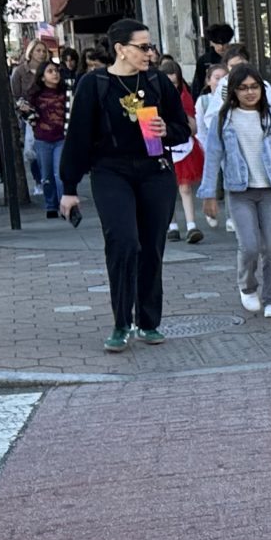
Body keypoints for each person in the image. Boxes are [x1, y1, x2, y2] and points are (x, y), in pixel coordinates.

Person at [60, 19, 192, 351]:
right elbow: (77, 137)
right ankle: (121, 323)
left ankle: (148, 321)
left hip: (155, 170)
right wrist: (69, 188)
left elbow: (183, 128)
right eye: (143, 47)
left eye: (151, 46)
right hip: (111, 172)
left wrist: (167, 130)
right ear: (120, 48)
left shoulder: (157, 81)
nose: (150, 53)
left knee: (151, 246)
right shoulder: (95, 84)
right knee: (123, 242)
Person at [197, 60, 271, 318]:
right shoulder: (224, 119)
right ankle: (248, 286)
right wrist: (208, 194)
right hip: (240, 191)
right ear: (233, 91)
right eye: (243, 88)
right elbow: (213, 157)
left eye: (254, 87)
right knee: (249, 246)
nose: (250, 92)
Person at [162, 56, 209, 243]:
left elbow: (193, 126)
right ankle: (172, 225)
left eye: (175, 83)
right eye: (168, 83)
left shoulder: (184, 97)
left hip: (183, 145)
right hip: (162, 146)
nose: (171, 87)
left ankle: (191, 225)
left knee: (185, 187)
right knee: (167, 188)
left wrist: (182, 117)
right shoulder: (154, 97)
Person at [24, 52, 69, 221]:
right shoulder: (36, 96)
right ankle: (51, 205)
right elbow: (29, 117)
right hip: (42, 139)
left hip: (61, 139)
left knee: (60, 174)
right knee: (47, 176)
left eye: (56, 71)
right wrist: (25, 111)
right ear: (42, 77)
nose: (55, 74)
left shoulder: (66, 93)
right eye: (50, 71)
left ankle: (64, 205)